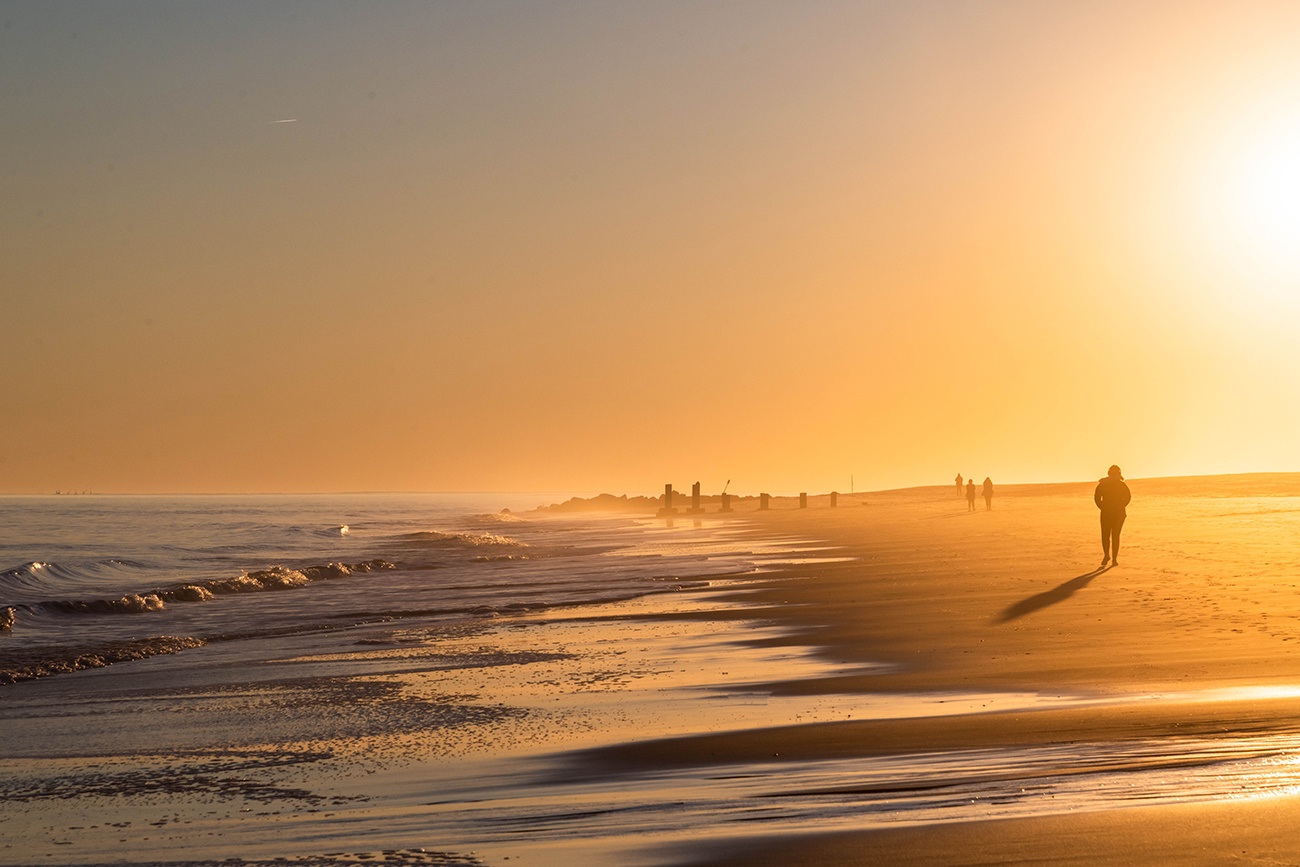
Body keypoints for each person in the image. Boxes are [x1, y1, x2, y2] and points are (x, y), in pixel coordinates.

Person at [1095, 464, 1131, 566]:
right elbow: (1128, 497)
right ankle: (1113, 558)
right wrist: (1121, 506)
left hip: (1110, 513)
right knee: (1115, 536)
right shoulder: (1121, 484)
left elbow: (1097, 499)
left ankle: (1108, 556)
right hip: (1117, 513)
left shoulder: (1103, 484)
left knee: (1106, 536)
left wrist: (1103, 507)